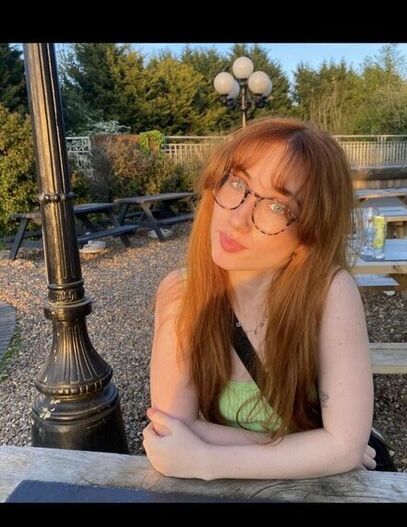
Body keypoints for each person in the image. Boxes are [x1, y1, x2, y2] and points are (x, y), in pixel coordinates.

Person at [143, 116, 377, 480]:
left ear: (309, 236)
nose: (237, 218)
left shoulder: (330, 293)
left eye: (277, 206)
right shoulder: (182, 294)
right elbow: (172, 429)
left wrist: (207, 461)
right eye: (237, 183)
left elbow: (343, 448)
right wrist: (318, 449)